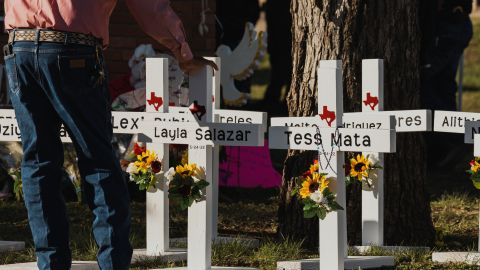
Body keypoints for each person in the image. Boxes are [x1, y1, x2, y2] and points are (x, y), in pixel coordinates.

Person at [3, 1, 217, 269]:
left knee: (38, 163)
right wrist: (182, 50)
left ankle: (51, 263)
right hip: (73, 50)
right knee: (98, 162)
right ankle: (112, 263)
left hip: (20, 49)